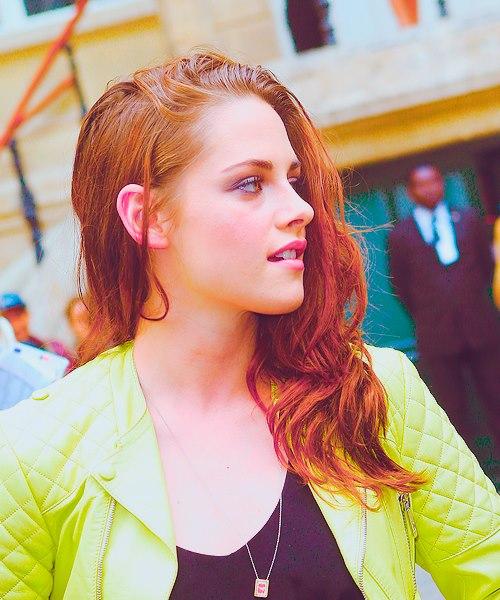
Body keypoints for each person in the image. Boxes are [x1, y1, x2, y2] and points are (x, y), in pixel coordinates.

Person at [0, 52, 498, 600]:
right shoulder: (33, 456)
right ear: (148, 218)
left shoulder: (373, 392)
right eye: (249, 183)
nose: (300, 209)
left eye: (292, 179)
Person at [387, 165, 500, 450]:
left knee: (495, 395)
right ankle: (473, 463)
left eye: (434, 181)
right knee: (452, 408)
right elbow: (400, 286)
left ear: (442, 184)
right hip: (437, 335)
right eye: (421, 184)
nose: (429, 188)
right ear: (410, 192)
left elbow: (487, 269)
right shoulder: (401, 235)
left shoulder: (468, 219)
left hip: (480, 327)